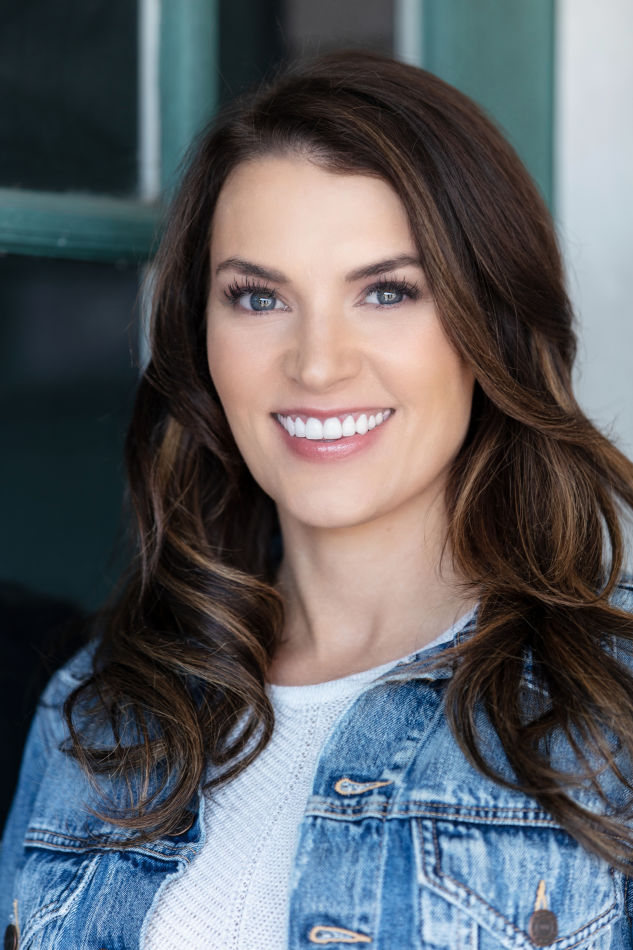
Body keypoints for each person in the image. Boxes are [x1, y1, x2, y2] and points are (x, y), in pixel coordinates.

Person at [1, 48, 633, 950]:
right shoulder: (101, 706)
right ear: (200, 335)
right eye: (259, 298)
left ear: (487, 326)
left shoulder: (610, 706)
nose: (318, 365)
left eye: (386, 291)